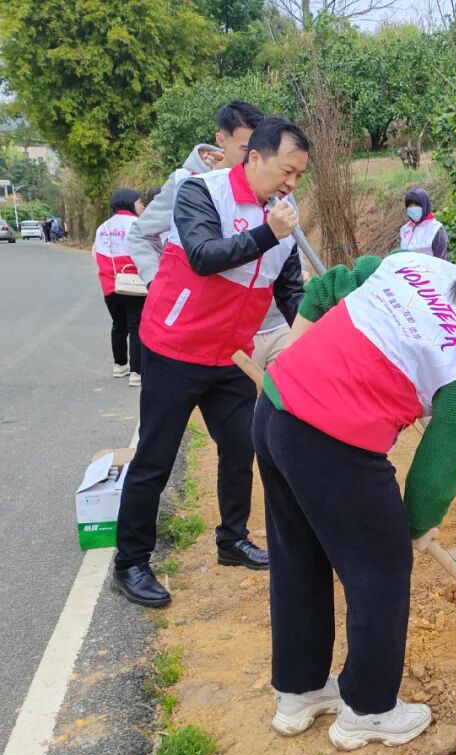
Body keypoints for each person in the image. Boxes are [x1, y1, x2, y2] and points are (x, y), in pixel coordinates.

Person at [255, 223, 456, 749]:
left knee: (299, 557)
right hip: (332, 443)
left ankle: (300, 690)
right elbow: (438, 466)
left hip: (273, 412)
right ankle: (369, 708)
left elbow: (330, 284)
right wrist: (416, 524)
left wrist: (295, 359)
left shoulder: (417, 265)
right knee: (381, 571)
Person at [112, 117, 309, 608]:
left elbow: (288, 290)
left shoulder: (283, 218)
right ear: (255, 157)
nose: (291, 183)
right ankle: (131, 561)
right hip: (175, 348)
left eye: (299, 176)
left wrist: (317, 334)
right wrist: (267, 232)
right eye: (286, 171)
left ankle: (232, 539)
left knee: (241, 447)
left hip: (231, 354)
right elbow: (203, 256)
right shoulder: (201, 191)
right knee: (155, 458)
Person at [128, 102, 295, 370]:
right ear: (221, 139)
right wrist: (158, 285)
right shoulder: (189, 182)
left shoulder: (277, 193)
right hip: (189, 336)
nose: (253, 160)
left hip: (257, 329)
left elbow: (287, 261)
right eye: (246, 150)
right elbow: (141, 234)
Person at [93, 189, 146, 386]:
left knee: (118, 325)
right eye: (140, 202)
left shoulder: (103, 228)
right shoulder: (138, 224)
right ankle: (137, 372)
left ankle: (120, 365)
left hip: (110, 284)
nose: (142, 206)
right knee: (136, 327)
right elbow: (145, 253)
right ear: (130, 203)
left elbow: (97, 255)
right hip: (134, 284)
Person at [399, 187, 448, 259]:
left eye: (417, 205)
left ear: (425, 205)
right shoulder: (405, 229)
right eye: (410, 205)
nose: (413, 208)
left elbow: (441, 260)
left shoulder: (436, 229)